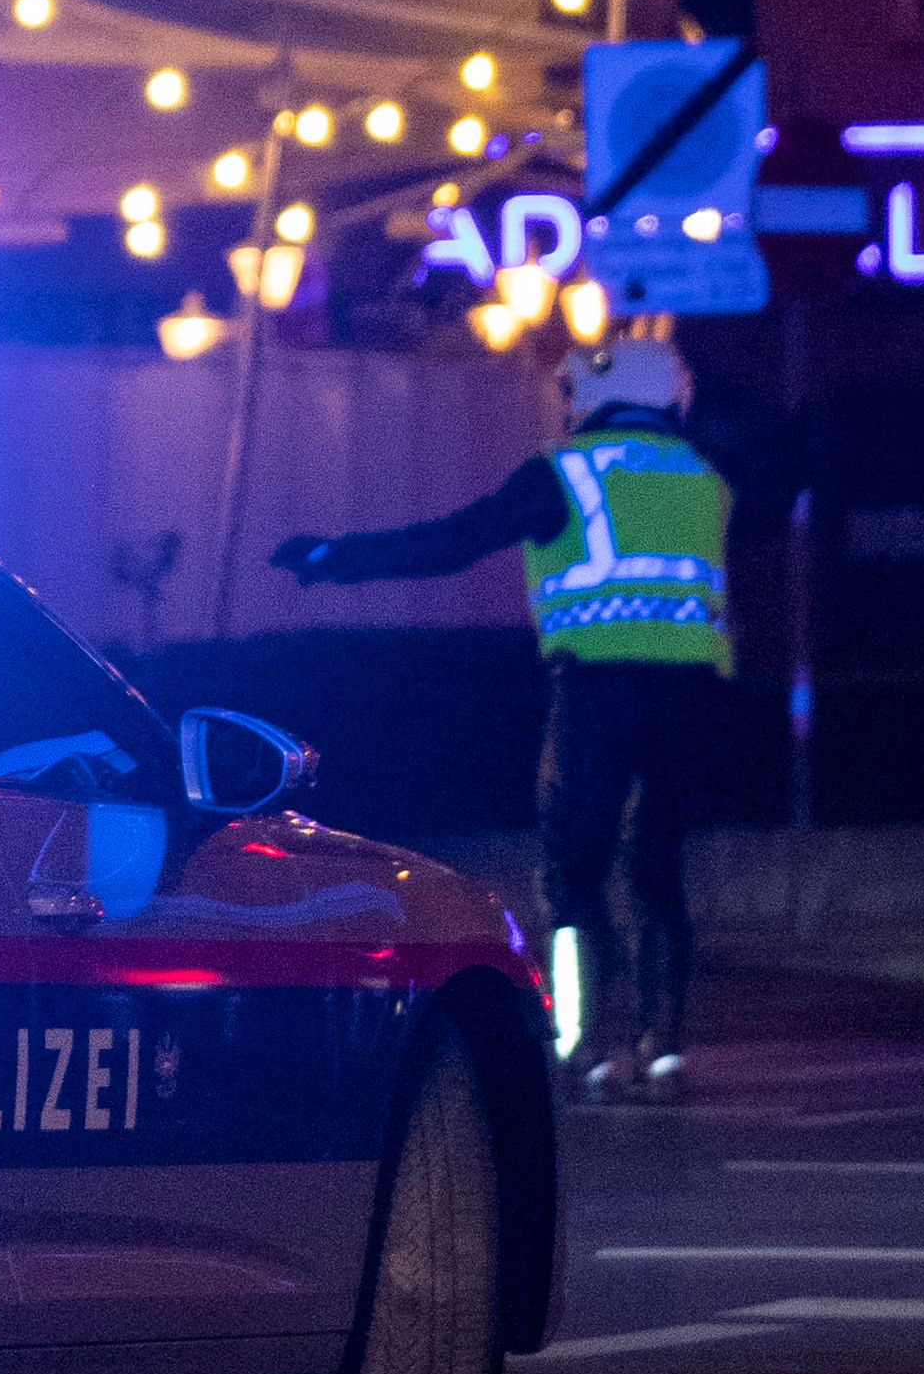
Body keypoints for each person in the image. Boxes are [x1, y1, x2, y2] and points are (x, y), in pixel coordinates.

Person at [272, 328, 732, 1102]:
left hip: (595, 691)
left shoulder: (567, 471)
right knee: (659, 869)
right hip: (691, 697)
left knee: (572, 872)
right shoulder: (703, 477)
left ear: (590, 394)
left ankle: (584, 1048)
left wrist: (334, 559)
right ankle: (665, 1048)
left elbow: (455, 542)